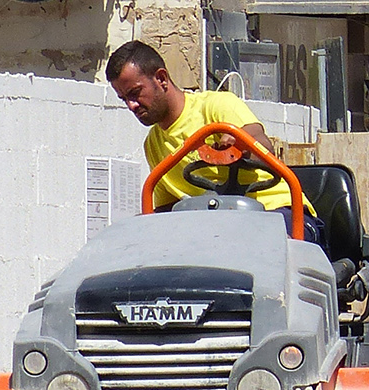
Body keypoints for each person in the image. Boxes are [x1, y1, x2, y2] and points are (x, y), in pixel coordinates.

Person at [104, 40, 323, 245]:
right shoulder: (153, 144)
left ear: (161, 79)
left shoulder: (215, 106)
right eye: (124, 99)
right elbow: (165, 211)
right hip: (216, 228)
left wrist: (241, 142)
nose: (131, 106)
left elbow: (262, 144)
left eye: (135, 93)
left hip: (278, 214)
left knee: (263, 245)